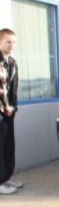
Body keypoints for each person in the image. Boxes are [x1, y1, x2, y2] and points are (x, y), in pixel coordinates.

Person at [0, 28, 22, 194]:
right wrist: (5, 105)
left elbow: (13, 88)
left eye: (13, 42)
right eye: (8, 41)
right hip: (1, 109)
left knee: (9, 145)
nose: (11, 45)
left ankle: (7, 177)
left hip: (9, 110)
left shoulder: (12, 62)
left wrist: (13, 107)